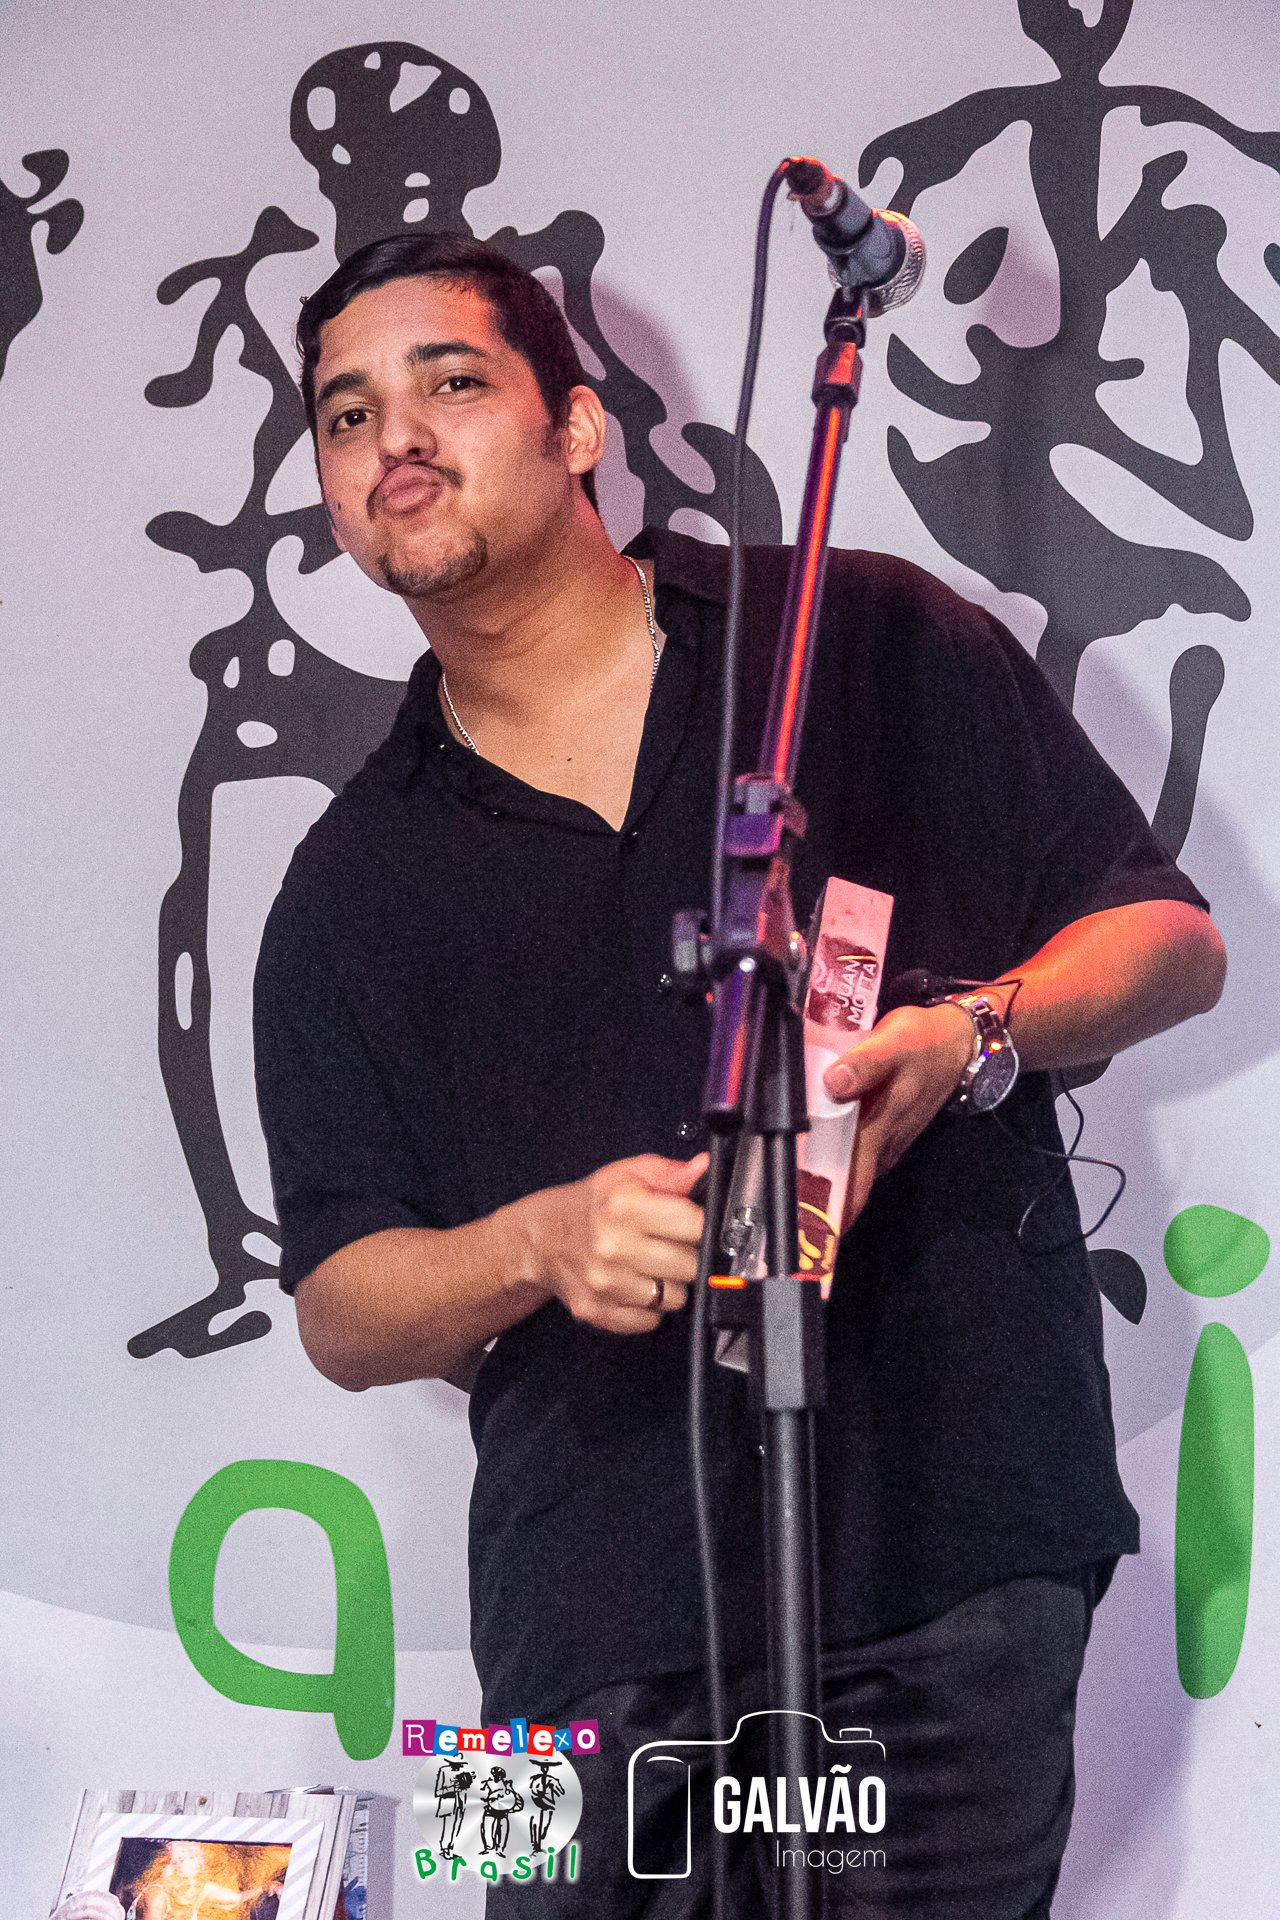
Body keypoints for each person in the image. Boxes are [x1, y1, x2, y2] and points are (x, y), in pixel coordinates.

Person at [253, 232, 1226, 1917]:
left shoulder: (859, 636)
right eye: (345, 414)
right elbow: (343, 1308)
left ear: (575, 428)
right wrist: (538, 1244)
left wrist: (977, 1034)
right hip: (566, 1626)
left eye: (449, 382)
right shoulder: (346, 880)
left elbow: (1169, 940)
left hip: (935, 1558)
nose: (392, 435)